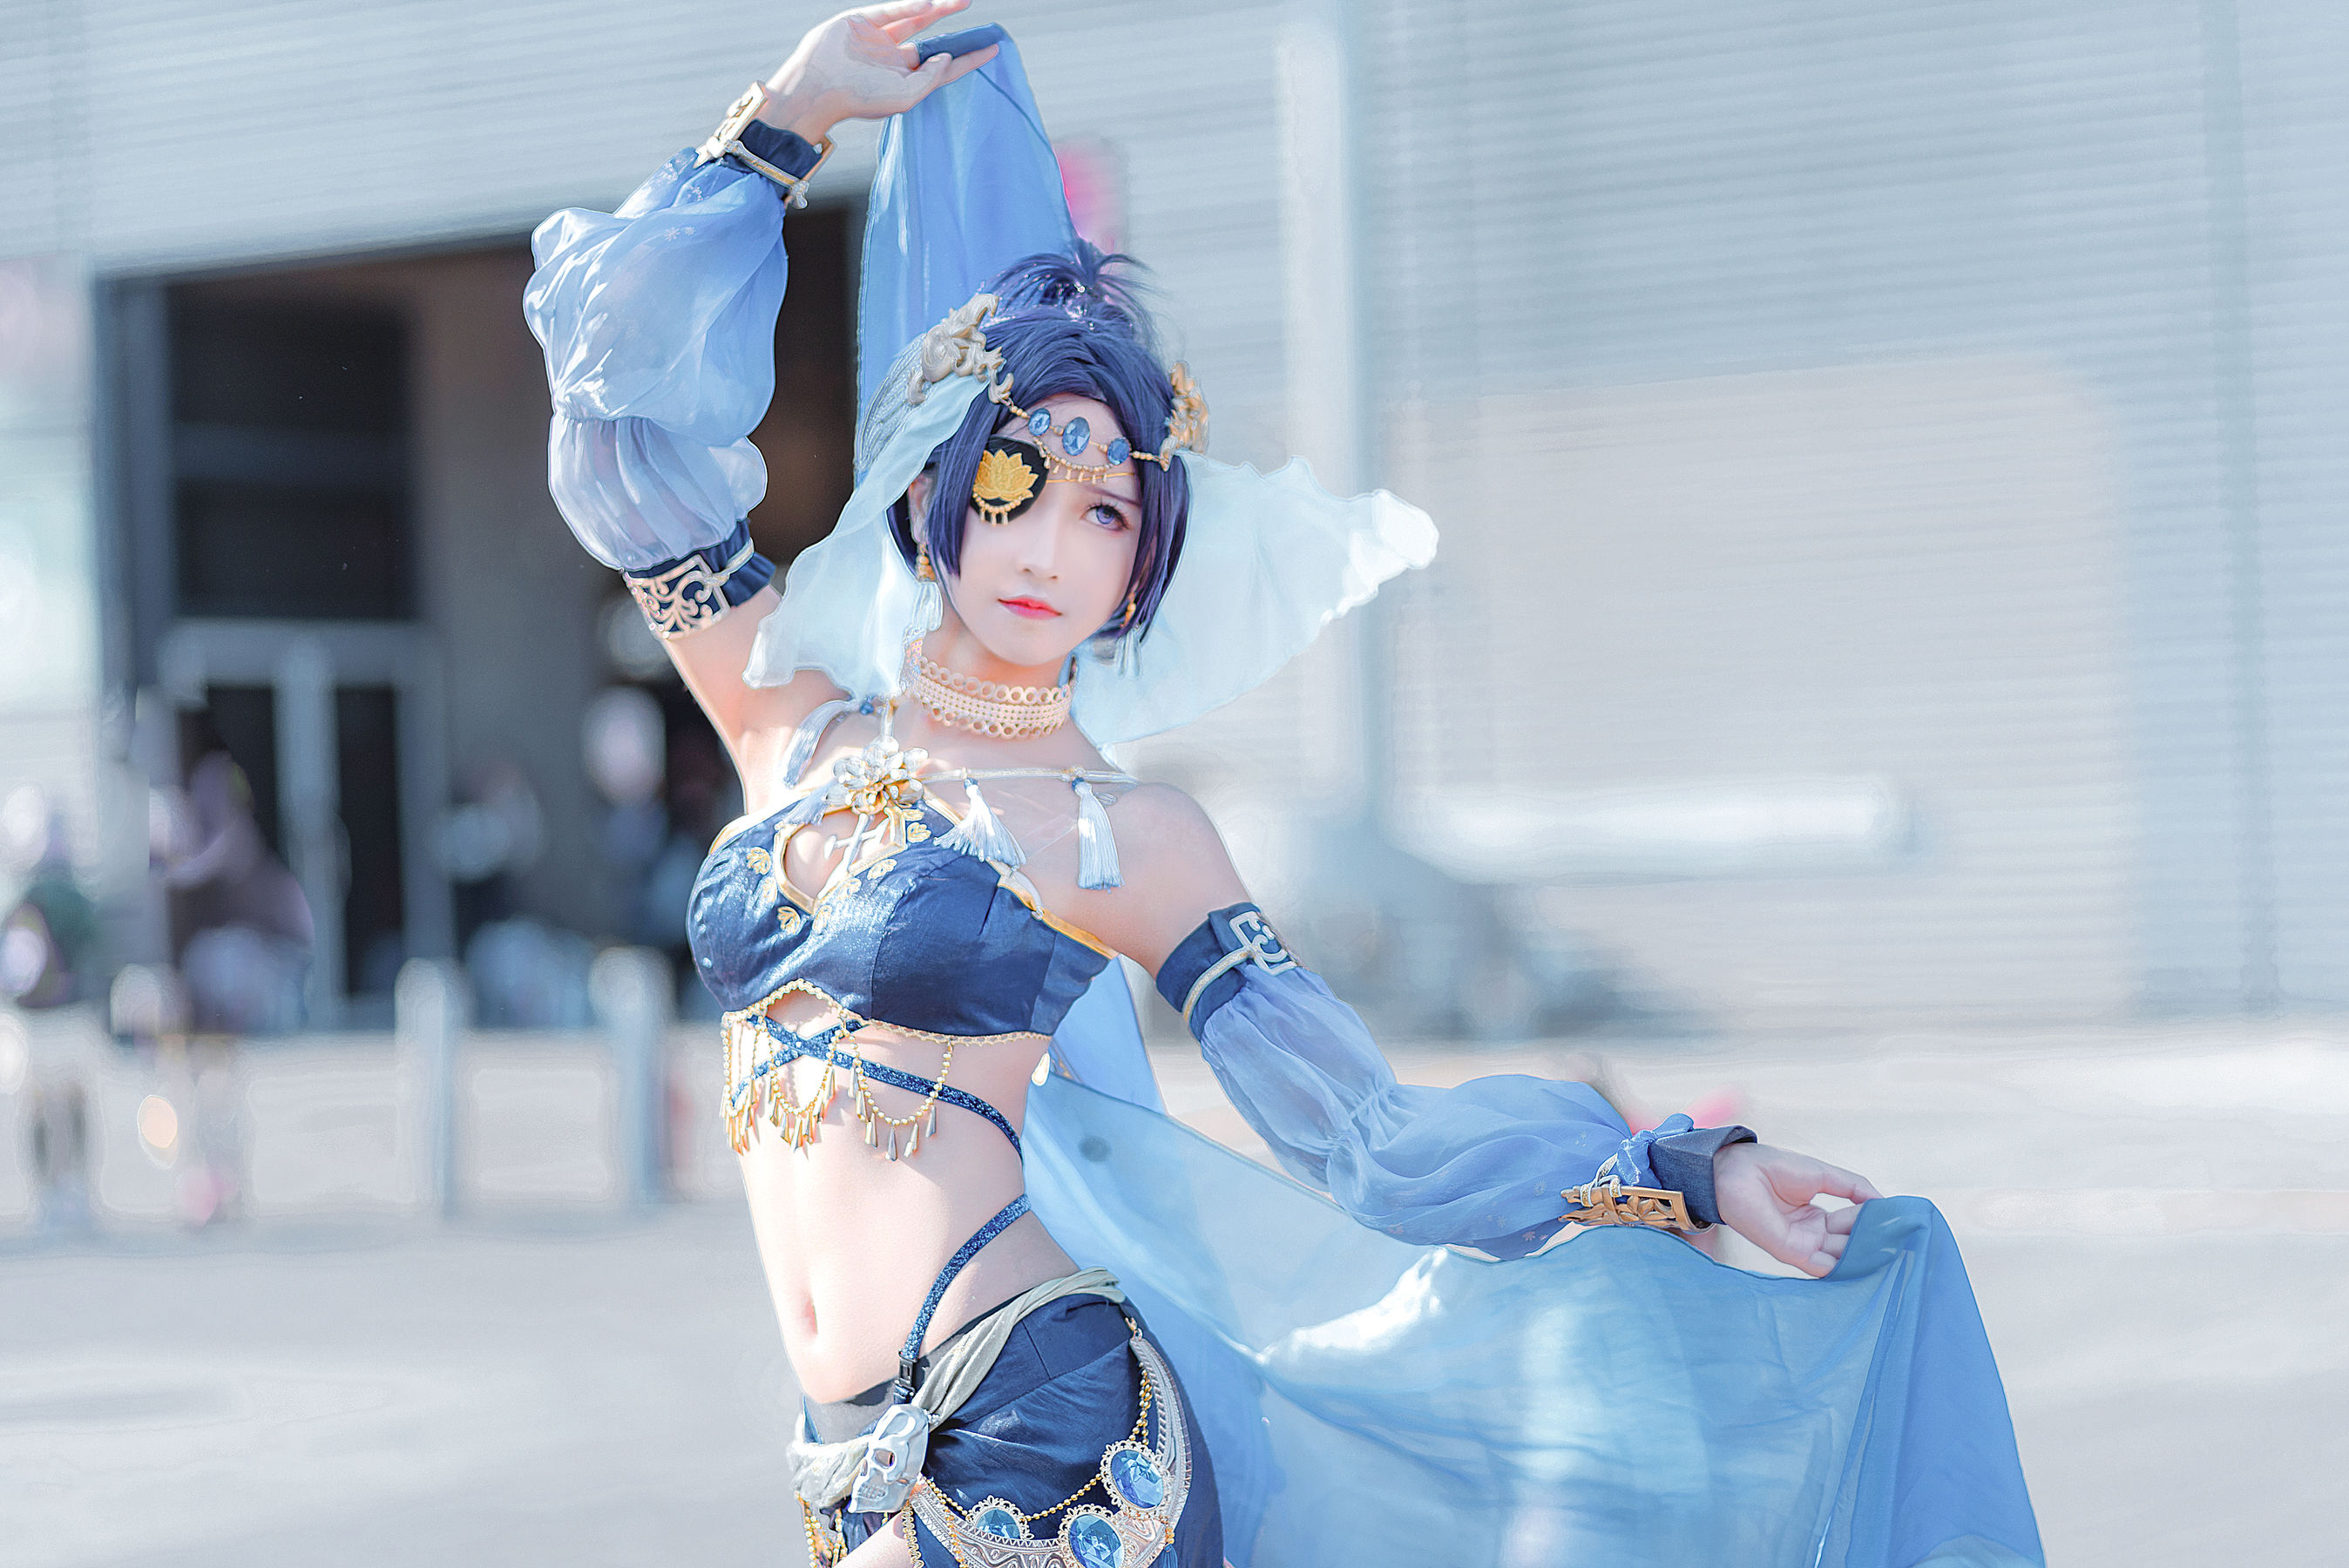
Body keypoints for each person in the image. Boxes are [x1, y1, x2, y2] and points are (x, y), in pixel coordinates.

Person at [525, 6, 2042, 1565]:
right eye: (1018, 479)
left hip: (1039, 1436)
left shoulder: (1127, 832)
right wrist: (788, 119)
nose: (1052, 546)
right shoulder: (791, 721)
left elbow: (1362, 1137)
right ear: (934, 489)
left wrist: (1683, 1170)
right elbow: (621, 435)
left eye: (1109, 510)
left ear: (1145, 566)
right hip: (844, 1459)